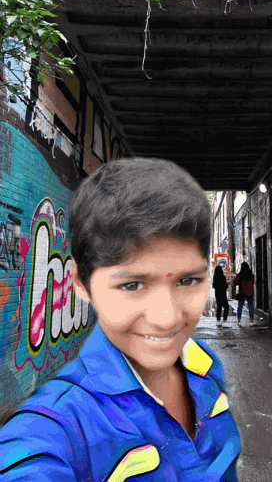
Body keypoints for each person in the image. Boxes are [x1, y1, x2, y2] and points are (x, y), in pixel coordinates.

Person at [0, 158, 241, 481]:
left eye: (187, 281)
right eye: (132, 285)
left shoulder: (205, 367)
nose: (167, 318)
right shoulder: (61, 429)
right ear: (81, 283)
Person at [234, 262, 255, 326]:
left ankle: (239, 320)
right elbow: (253, 282)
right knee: (251, 306)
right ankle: (251, 321)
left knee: (240, 306)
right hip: (250, 292)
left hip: (242, 292)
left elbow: (236, 283)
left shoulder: (239, 275)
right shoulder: (251, 275)